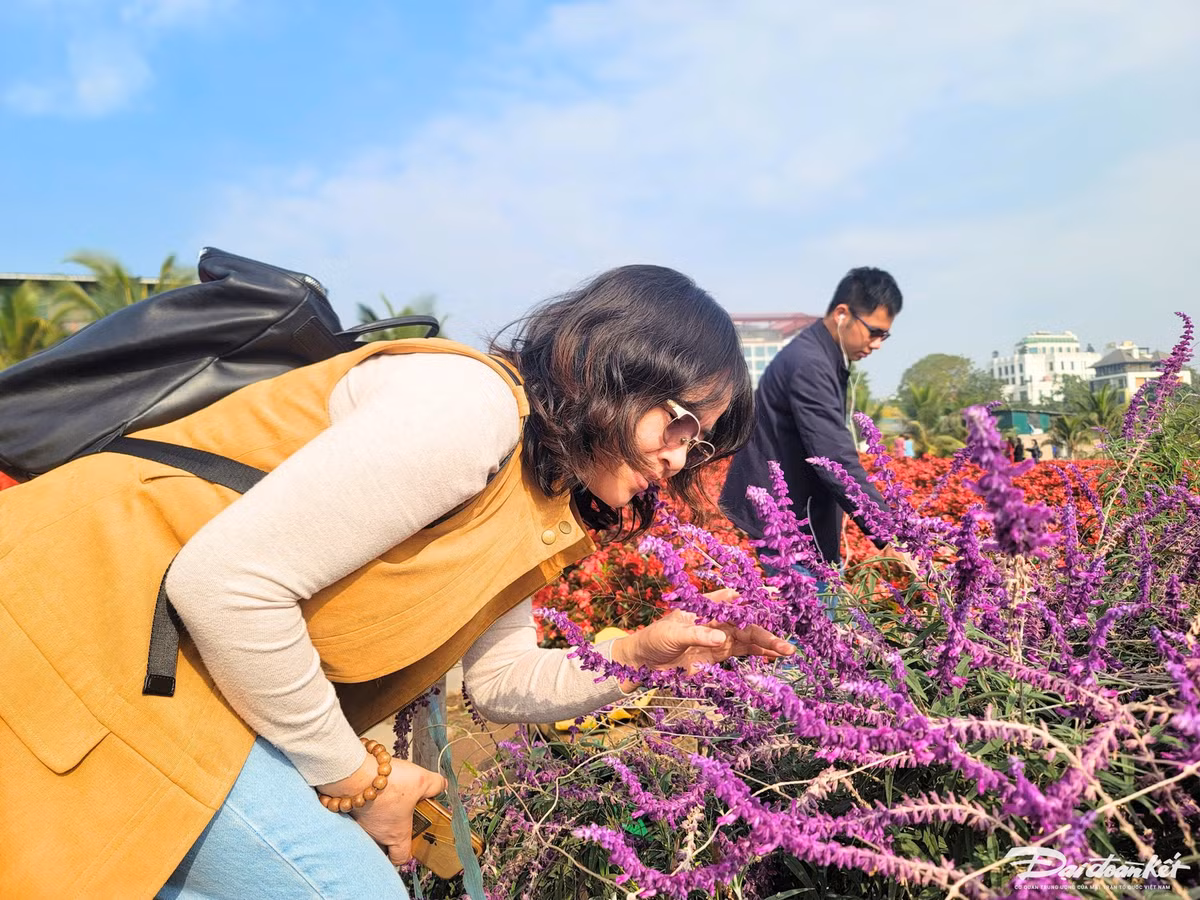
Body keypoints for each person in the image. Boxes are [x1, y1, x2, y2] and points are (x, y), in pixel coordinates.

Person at [0, 265, 794, 899]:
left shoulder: (537, 494)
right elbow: (227, 585)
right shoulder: (468, 411)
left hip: (163, 668)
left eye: (704, 438)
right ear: (608, 371)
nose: (680, 458)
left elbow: (501, 683)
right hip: (87, 621)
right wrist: (357, 778)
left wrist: (641, 656)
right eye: (680, 421)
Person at [720, 267, 913, 588]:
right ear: (842, 314)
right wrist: (888, 534)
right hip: (784, 526)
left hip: (800, 520)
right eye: (874, 332)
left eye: (885, 335)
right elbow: (834, 456)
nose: (878, 344)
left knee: (825, 624)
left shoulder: (822, 355)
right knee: (813, 629)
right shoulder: (810, 364)